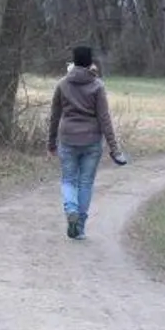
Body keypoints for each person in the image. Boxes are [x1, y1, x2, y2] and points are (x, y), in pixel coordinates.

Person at [47, 45, 128, 240]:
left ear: (74, 62)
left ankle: (71, 209)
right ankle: (80, 226)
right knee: (85, 183)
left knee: (68, 180)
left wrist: (51, 142)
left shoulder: (62, 84)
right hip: (92, 141)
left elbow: (55, 115)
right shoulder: (97, 85)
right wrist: (114, 148)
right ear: (90, 62)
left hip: (67, 139)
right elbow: (104, 118)